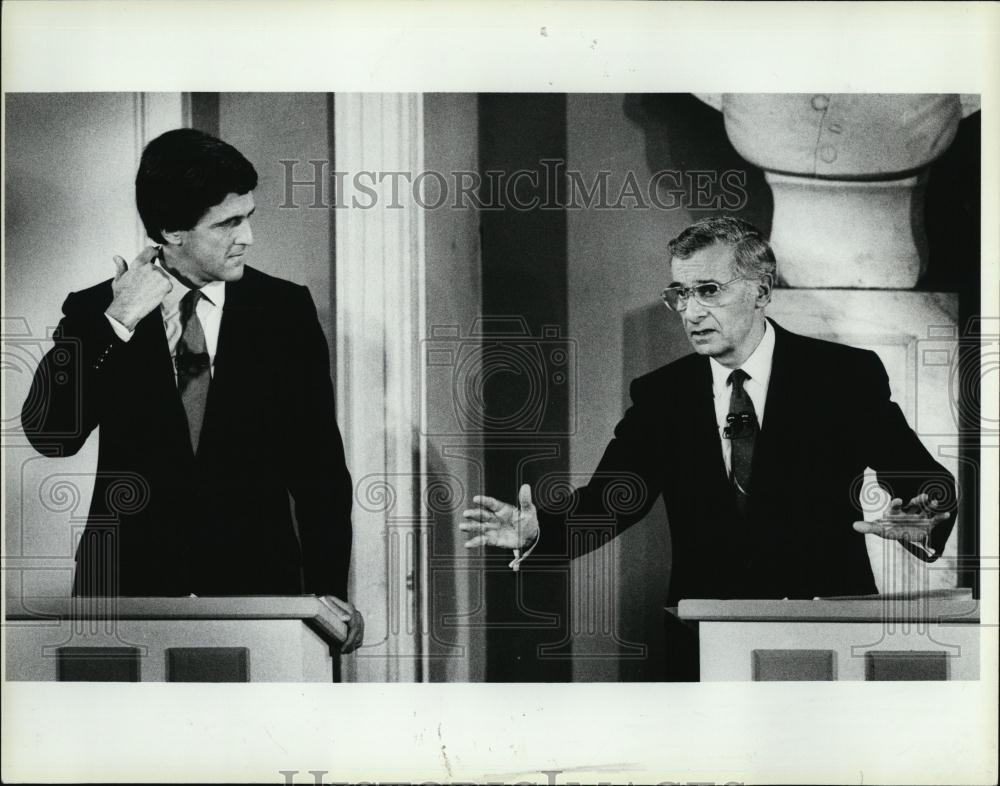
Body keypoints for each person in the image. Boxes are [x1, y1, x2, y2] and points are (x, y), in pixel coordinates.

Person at [461, 215, 955, 615]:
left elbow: (922, 479)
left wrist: (925, 513)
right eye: (680, 293)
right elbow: (610, 501)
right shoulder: (662, 395)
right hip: (706, 631)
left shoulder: (842, 376)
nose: (690, 312)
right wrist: (539, 529)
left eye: (709, 290)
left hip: (823, 623)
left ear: (761, 292)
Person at [22, 128, 363, 652]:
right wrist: (119, 320)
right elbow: (50, 434)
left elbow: (320, 471)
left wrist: (326, 595)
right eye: (228, 222)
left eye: (248, 216)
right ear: (171, 230)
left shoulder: (285, 311)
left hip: (259, 597)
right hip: (127, 595)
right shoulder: (98, 311)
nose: (247, 236)